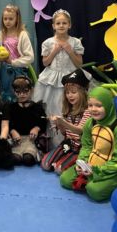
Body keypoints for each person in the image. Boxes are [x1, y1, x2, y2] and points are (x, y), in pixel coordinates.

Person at [60, 87, 117, 202]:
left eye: (99, 106)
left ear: (108, 105)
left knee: (94, 191)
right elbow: (86, 146)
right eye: (90, 105)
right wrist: (81, 163)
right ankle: (89, 179)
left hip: (111, 170)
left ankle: (111, 182)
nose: (93, 109)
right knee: (64, 179)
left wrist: (96, 170)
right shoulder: (90, 122)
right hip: (91, 164)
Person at [33, 9, 85, 147]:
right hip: (52, 79)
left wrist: (69, 51)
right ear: (53, 26)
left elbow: (79, 64)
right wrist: (55, 51)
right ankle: (54, 143)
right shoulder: (48, 42)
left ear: (69, 25)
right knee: (53, 109)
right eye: (58, 23)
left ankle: (73, 139)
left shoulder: (75, 42)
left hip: (71, 77)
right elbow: (45, 63)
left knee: (70, 107)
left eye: (64, 23)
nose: (61, 25)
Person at [41, 69, 91, 174]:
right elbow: (65, 133)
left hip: (80, 148)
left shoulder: (87, 111)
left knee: (59, 169)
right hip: (67, 144)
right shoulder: (69, 110)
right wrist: (58, 124)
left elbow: (80, 130)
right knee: (46, 164)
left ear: (83, 92)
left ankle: (70, 162)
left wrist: (63, 122)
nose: (70, 95)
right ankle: (62, 159)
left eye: (73, 92)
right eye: (67, 92)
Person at [5, 76, 47, 166]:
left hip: (32, 140)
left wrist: (37, 128)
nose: (22, 94)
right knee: (15, 159)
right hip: (17, 141)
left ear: (31, 90)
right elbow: (7, 122)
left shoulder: (37, 107)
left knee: (28, 159)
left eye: (25, 91)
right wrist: (12, 131)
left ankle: (35, 153)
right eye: (18, 92)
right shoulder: (11, 107)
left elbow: (43, 121)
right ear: (14, 92)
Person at [0, 4, 34, 103]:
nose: (7, 21)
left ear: (17, 19)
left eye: (11, 19)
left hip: (19, 72)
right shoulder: (1, 33)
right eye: (5, 19)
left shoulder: (22, 34)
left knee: (19, 96)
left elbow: (30, 57)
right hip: (5, 72)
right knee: (6, 97)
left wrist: (13, 62)